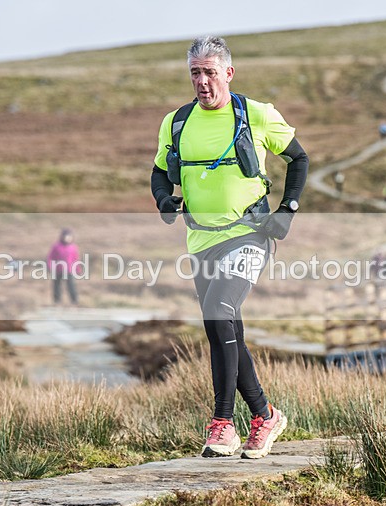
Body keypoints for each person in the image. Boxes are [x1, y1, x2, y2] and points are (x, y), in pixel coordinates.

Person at [151, 36, 308, 459]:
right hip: (201, 239)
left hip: (249, 233)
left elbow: (299, 159)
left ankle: (223, 424)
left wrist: (287, 211)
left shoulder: (255, 114)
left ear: (228, 73)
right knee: (225, 329)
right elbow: (160, 173)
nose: (202, 82)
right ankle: (265, 415)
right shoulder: (176, 122)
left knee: (219, 314)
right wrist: (165, 201)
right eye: (195, 73)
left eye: (209, 72)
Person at [46, 228, 80, 305]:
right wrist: (50, 266)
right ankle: (57, 301)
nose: (68, 238)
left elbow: (75, 259)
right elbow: (51, 257)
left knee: (71, 286)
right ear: (62, 236)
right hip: (57, 269)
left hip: (69, 270)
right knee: (56, 286)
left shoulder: (73, 247)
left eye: (69, 236)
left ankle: (74, 301)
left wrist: (78, 268)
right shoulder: (56, 246)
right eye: (66, 236)